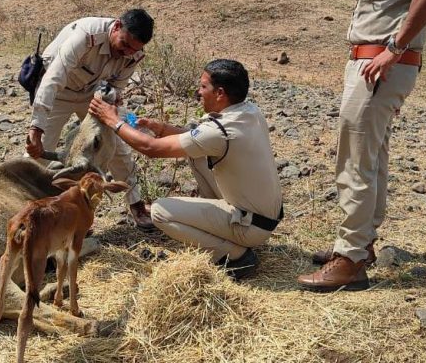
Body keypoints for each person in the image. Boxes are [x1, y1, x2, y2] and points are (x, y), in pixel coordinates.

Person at [297, 0, 426, 292]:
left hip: (379, 66)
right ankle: (360, 246)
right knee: (372, 156)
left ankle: (349, 260)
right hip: (375, 63)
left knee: (356, 160)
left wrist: (393, 49)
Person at [89, 59, 283, 280]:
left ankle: (235, 255)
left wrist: (113, 121)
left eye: (203, 87)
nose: (198, 92)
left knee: (160, 211)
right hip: (265, 216)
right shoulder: (247, 111)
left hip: (250, 226)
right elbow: (200, 138)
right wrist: (161, 128)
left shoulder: (218, 132)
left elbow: (150, 148)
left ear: (220, 93)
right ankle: (222, 226)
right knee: (197, 157)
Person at [25, 9, 156, 231]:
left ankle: (136, 205)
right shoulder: (86, 36)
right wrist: (36, 127)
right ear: (116, 27)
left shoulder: (133, 53)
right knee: (37, 153)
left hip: (92, 94)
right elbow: (53, 78)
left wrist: (113, 110)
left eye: (133, 49)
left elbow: (116, 87)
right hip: (59, 92)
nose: (126, 53)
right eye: (123, 44)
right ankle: (26, 210)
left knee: (118, 147)